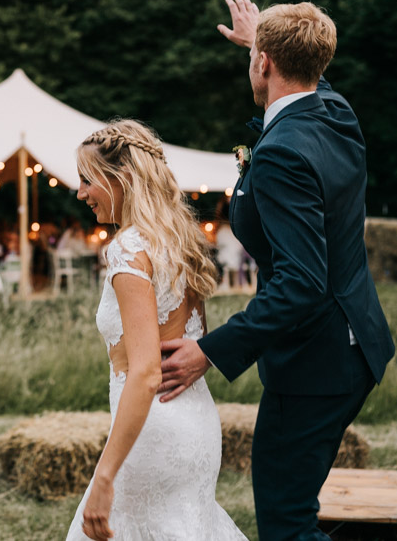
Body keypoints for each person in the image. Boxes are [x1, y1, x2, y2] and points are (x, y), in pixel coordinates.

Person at [159, 0, 396, 540]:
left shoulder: (283, 151)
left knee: (287, 523)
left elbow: (301, 283)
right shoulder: (335, 113)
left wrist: (210, 352)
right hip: (355, 344)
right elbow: (310, 78)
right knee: (296, 508)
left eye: (254, 56)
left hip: (317, 363)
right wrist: (261, 41)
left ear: (264, 64)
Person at [67, 120, 246, 541]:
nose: (80, 193)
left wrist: (104, 477)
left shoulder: (128, 248)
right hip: (196, 426)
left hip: (154, 432)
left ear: (122, 179)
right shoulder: (181, 241)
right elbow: (195, 340)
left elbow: (145, 372)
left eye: (87, 180)